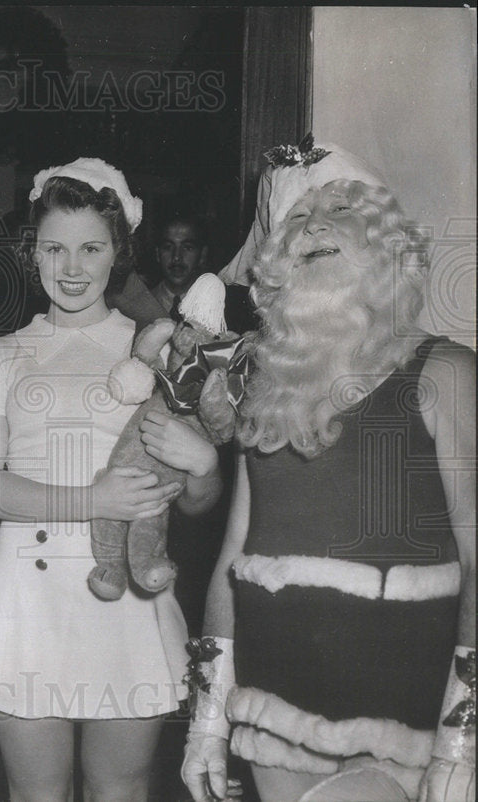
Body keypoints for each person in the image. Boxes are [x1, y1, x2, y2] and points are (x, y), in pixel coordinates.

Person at [181, 143, 476, 802]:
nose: (309, 226)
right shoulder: (262, 386)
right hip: (272, 723)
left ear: (381, 242)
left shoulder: (442, 372)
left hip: (409, 736)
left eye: (332, 210)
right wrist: (206, 720)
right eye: (295, 218)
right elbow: (232, 562)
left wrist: (464, 736)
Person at [0, 157, 223, 801]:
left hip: (130, 597)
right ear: (31, 253)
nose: (72, 268)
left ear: (119, 254)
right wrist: (94, 499)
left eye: (90, 248)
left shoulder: (160, 352)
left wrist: (205, 463)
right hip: (27, 598)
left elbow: (195, 505)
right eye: (54, 248)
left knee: (120, 790)